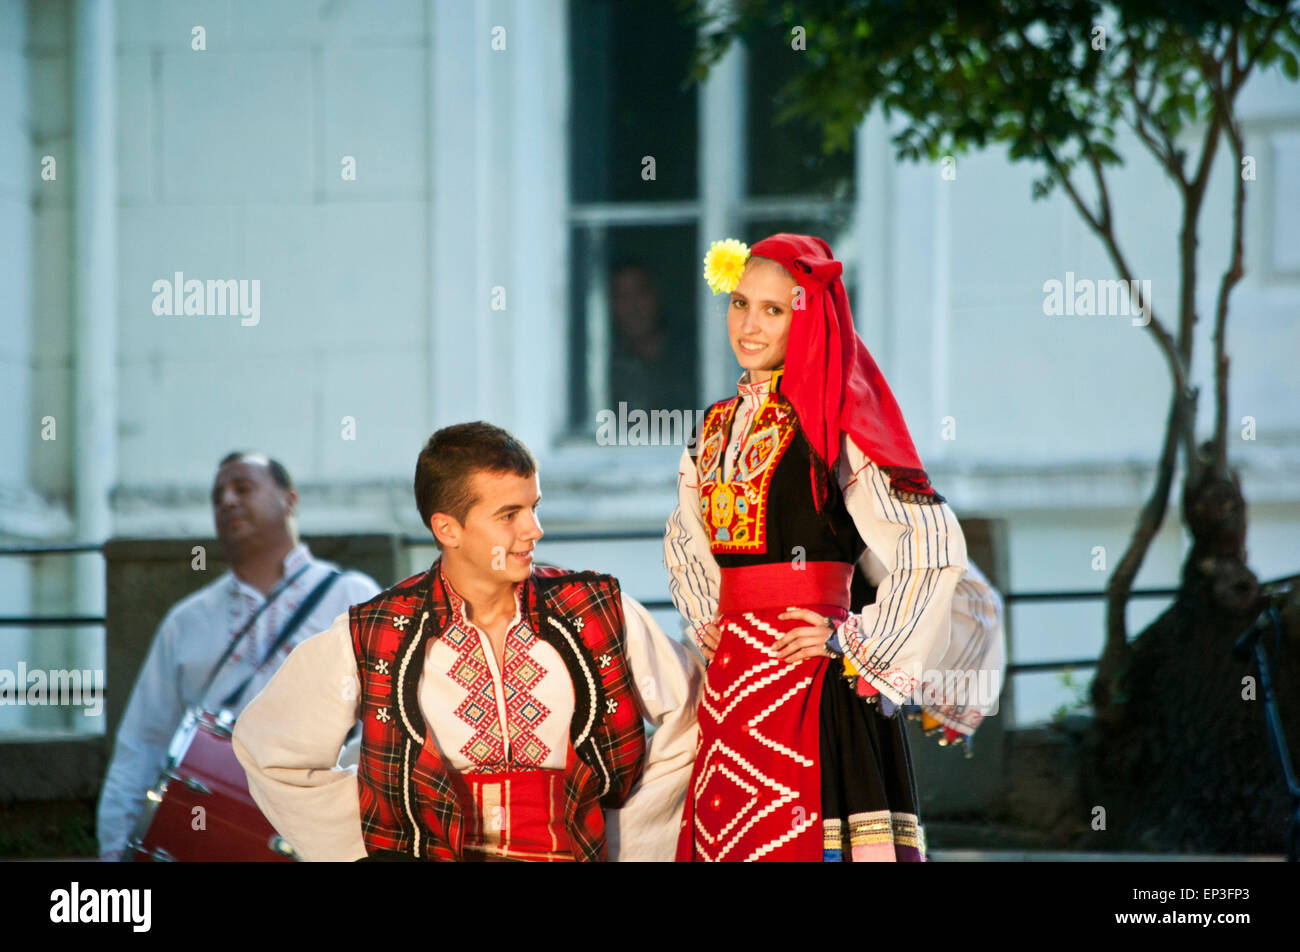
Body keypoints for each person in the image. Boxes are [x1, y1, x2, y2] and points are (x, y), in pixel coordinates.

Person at [665, 234, 1005, 862]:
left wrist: (851, 637)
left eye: (774, 309)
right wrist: (706, 616)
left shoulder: (837, 422)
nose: (749, 324)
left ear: (808, 315)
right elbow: (687, 538)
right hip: (734, 683)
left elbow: (931, 546)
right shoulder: (711, 428)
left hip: (816, 681)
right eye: (740, 304)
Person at [232, 422, 702, 861]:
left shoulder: (597, 609)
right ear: (447, 529)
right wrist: (383, 840)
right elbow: (269, 751)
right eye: (509, 515)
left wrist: (627, 841)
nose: (533, 530)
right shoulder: (376, 632)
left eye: (533, 507)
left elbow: (692, 716)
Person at [96, 452, 382, 861]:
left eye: (243, 488)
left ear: (290, 500)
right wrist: (113, 851)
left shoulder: (353, 597)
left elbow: (396, 724)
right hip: (208, 834)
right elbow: (143, 743)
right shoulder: (187, 621)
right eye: (218, 496)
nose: (227, 501)